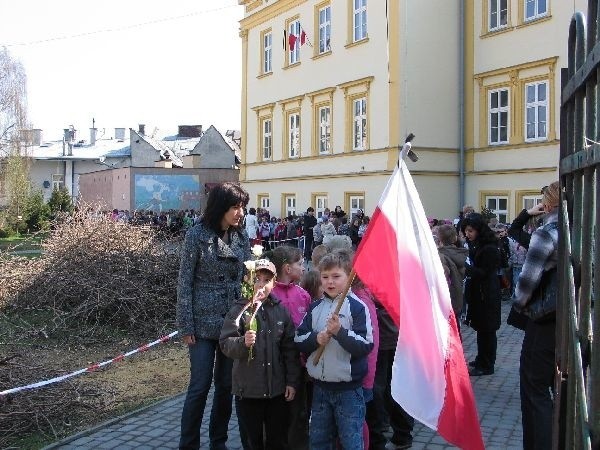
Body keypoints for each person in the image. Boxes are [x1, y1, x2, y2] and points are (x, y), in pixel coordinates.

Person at [176, 182, 251, 450]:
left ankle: (218, 442)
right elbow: (185, 282)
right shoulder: (196, 235)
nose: (240, 212)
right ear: (221, 207)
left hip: (231, 323)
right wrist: (186, 324)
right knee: (199, 385)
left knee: (225, 387)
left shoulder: (241, 237)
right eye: (234, 206)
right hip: (201, 323)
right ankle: (189, 444)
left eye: (242, 206)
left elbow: (247, 277)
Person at [295, 251, 374, 450]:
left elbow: (365, 345)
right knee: (319, 439)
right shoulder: (315, 308)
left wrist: (340, 332)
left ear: (349, 277)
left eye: (336, 276)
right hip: (320, 388)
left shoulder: (357, 307)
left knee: (350, 440)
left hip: (348, 390)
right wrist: (316, 339)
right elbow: (299, 338)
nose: (330, 282)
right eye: (325, 277)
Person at [220, 259, 301, 450]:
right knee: (252, 441)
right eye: (257, 279)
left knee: (277, 440)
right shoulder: (239, 310)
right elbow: (225, 343)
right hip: (248, 392)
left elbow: (289, 350)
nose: (261, 285)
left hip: (277, 390)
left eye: (267, 280)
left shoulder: (281, 311)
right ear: (248, 281)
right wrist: (242, 342)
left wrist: (291, 381)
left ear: (274, 283)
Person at [512, 181, 559, 450]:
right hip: (572, 318)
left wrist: (519, 306)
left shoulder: (548, 232)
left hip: (543, 319)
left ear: (548, 203)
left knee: (535, 390)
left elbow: (526, 283)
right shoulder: (582, 228)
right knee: (563, 387)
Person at [267, 246, 312, 450]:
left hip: (300, 367)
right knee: (277, 416)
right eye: (300, 264)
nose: (303, 268)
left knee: (299, 413)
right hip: (275, 367)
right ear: (287, 268)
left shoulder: (303, 295)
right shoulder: (269, 294)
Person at [461, 213, 501, 376]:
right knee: (481, 329)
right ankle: (481, 358)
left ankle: (487, 363)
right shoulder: (478, 245)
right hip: (479, 293)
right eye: (466, 231)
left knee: (487, 330)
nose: (467, 234)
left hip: (487, 294)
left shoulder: (489, 248)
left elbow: (485, 272)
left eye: (470, 231)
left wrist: (467, 268)